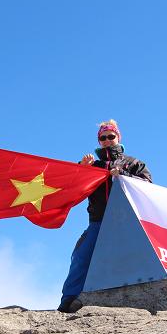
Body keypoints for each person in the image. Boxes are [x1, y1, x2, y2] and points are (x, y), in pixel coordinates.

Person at [58, 120, 152, 313]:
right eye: (103, 137)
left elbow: (147, 185)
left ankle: (147, 297)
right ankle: (69, 300)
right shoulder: (93, 165)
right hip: (98, 220)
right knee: (81, 255)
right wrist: (81, 168)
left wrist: (124, 174)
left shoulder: (134, 163)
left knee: (141, 257)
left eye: (111, 136)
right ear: (99, 141)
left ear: (119, 137)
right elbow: (72, 187)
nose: (108, 140)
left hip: (127, 222)